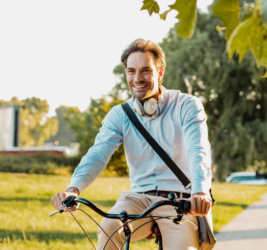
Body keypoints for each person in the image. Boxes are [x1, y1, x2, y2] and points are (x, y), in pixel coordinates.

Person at [51, 39, 213, 250]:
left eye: (146, 70)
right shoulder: (120, 115)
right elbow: (97, 155)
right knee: (109, 227)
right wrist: (73, 189)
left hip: (180, 202)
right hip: (138, 199)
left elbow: (197, 149)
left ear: (160, 73)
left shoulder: (186, 105)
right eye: (131, 71)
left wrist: (200, 192)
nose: (137, 78)